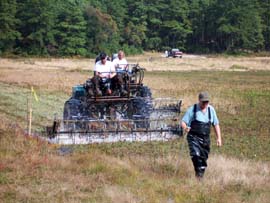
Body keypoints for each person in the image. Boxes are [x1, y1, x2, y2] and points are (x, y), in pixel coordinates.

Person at [181, 91, 222, 179]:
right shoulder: (193, 109)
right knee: (196, 155)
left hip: (205, 138)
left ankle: (199, 176)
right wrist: (185, 128)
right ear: (199, 100)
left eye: (207, 102)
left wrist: (219, 138)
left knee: (203, 158)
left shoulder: (211, 110)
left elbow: (216, 124)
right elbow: (183, 122)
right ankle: (199, 176)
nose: (205, 104)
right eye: (203, 102)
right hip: (193, 137)